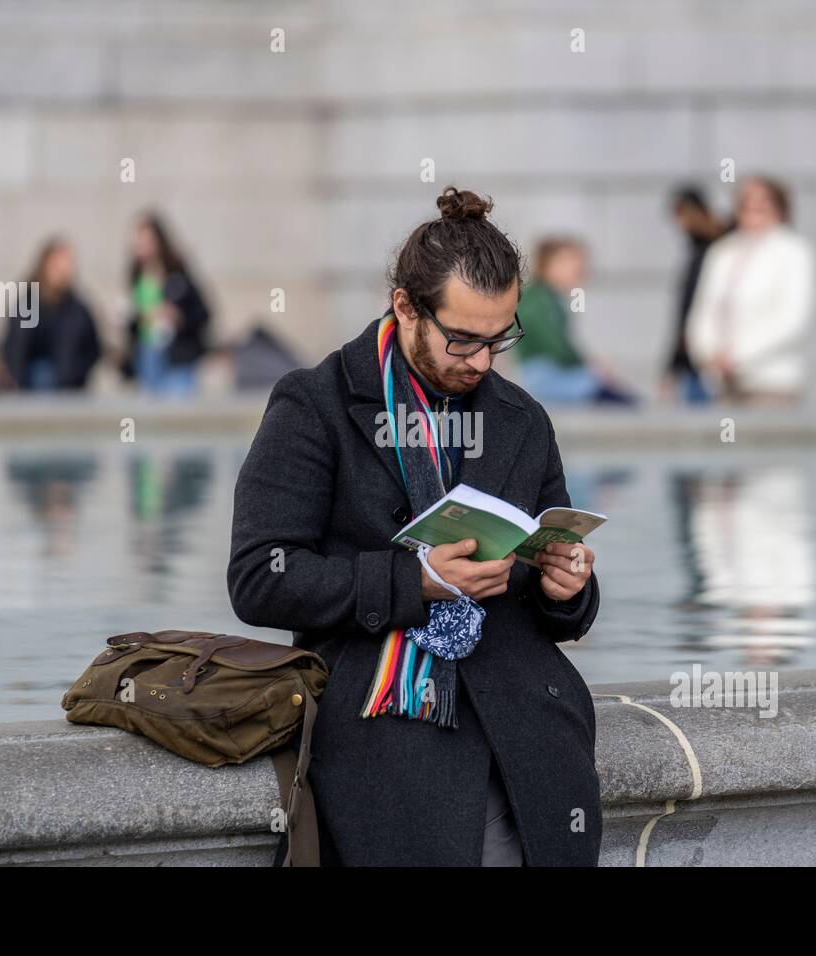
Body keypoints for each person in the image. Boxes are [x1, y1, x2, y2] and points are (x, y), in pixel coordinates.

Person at [227, 186, 603, 867]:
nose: (482, 362)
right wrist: (415, 581)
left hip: (528, 718)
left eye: (499, 339)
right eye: (462, 339)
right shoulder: (314, 406)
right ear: (405, 306)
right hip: (383, 713)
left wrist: (565, 585)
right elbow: (260, 577)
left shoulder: (521, 418)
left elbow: (563, 601)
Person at [684, 176, 816, 404]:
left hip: (771, 384)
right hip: (722, 384)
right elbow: (703, 311)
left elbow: (792, 320)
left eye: (763, 202)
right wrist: (708, 355)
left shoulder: (794, 251)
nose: (753, 209)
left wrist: (737, 356)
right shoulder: (723, 251)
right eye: (746, 202)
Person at [513, 236, 636, 405]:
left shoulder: (550, 298)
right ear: (548, 265)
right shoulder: (539, 300)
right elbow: (555, 346)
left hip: (552, 374)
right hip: (547, 377)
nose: (578, 268)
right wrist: (590, 367)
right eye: (568, 261)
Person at [121, 213, 211, 397]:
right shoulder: (136, 278)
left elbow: (203, 313)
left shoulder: (178, 275)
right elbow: (131, 324)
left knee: (177, 411)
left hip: (177, 359)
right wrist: (137, 318)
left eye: (147, 240)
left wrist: (177, 316)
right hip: (146, 357)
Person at [0, 238, 101, 392]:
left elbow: (92, 349)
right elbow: (15, 348)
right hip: (30, 386)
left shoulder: (78, 310)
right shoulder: (28, 304)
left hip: (68, 387)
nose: (64, 271)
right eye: (59, 265)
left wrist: (78, 374)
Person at [663, 187, 730, 404]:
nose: (682, 224)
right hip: (694, 354)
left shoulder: (725, 246)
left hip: (721, 355)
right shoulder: (697, 248)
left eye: (684, 216)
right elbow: (687, 307)